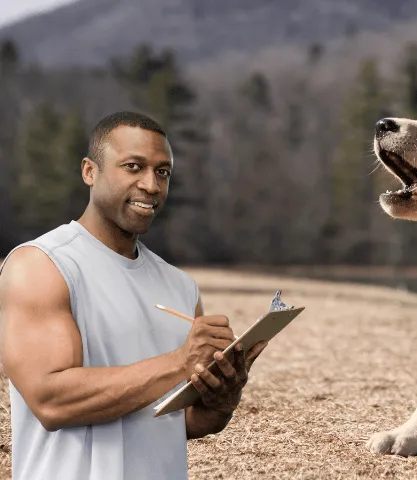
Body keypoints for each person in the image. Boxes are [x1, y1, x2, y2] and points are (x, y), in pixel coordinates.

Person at [0, 111, 268, 480]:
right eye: (133, 167)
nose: (152, 185)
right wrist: (179, 362)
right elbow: (51, 401)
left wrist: (221, 401)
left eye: (163, 172)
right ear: (89, 172)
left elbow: (179, 421)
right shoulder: (42, 264)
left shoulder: (181, 286)